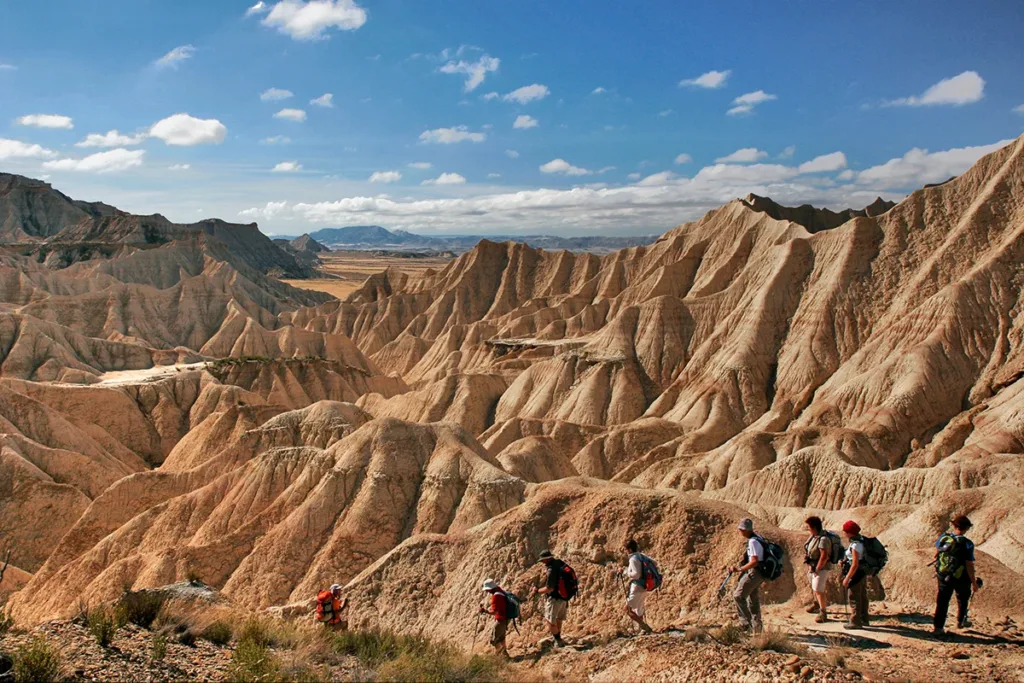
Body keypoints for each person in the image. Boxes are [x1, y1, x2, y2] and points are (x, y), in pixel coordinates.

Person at [933, 515, 979, 636]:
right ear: (966, 528)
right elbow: (969, 564)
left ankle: (938, 628)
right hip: (961, 576)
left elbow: (936, 553)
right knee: (963, 599)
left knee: (942, 600)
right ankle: (960, 622)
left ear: (954, 526)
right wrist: (974, 582)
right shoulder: (967, 544)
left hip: (943, 574)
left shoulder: (944, 538)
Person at [730, 518, 764, 633]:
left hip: (755, 572)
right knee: (753, 599)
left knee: (738, 596)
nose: (740, 531)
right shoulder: (758, 538)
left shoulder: (753, 542)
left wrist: (740, 569)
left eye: (741, 529)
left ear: (745, 530)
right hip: (760, 573)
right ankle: (757, 629)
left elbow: (755, 561)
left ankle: (746, 624)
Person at [804, 516, 834, 623]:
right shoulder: (814, 537)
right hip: (813, 567)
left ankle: (823, 612)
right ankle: (816, 604)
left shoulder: (823, 539)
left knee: (819, 590)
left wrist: (818, 568)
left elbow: (824, 556)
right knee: (814, 588)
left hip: (821, 568)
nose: (807, 529)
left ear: (814, 527)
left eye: (808, 527)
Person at [536, 550, 568, 648]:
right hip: (564, 597)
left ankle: (558, 641)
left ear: (547, 559)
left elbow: (549, 588)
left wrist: (537, 591)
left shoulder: (551, 570)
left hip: (554, 598)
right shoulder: (560, 563)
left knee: (550, 620)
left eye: (543, 560)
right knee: (558, 618)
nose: (542, 562)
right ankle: (558, 637)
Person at [841, 521, 869, 630]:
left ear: (850, 532)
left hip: (856, 573)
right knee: (862, 595)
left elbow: (855, 564)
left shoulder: (855, 545)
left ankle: (855, 621)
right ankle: (864, 618)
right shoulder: (861, 541)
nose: (844, 533)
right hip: (862, 572)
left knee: (854, 596)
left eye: (845, 531)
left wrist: (847, 578)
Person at [622, 539, 653, 634]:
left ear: (630, 550)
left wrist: (626, 572)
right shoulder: (641, 556)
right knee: (639, 608)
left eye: (626, 549)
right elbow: (654, 563)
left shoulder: (633, 558)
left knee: (627, 609)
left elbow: (636, 574)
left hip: (637, 587)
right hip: (645, 586)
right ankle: (643, 630)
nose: (626, 552)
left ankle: (645, 627)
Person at [479, 579, 509, 657]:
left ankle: (499, 655)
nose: (487, 591)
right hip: (505, 619)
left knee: (493, 640)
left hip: (501, 620)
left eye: (487, 590)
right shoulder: (500, 591)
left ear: (490, 588)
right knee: (501, 638)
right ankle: (505, 655)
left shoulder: (496, 596)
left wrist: (485, 611)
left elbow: (495, 612)